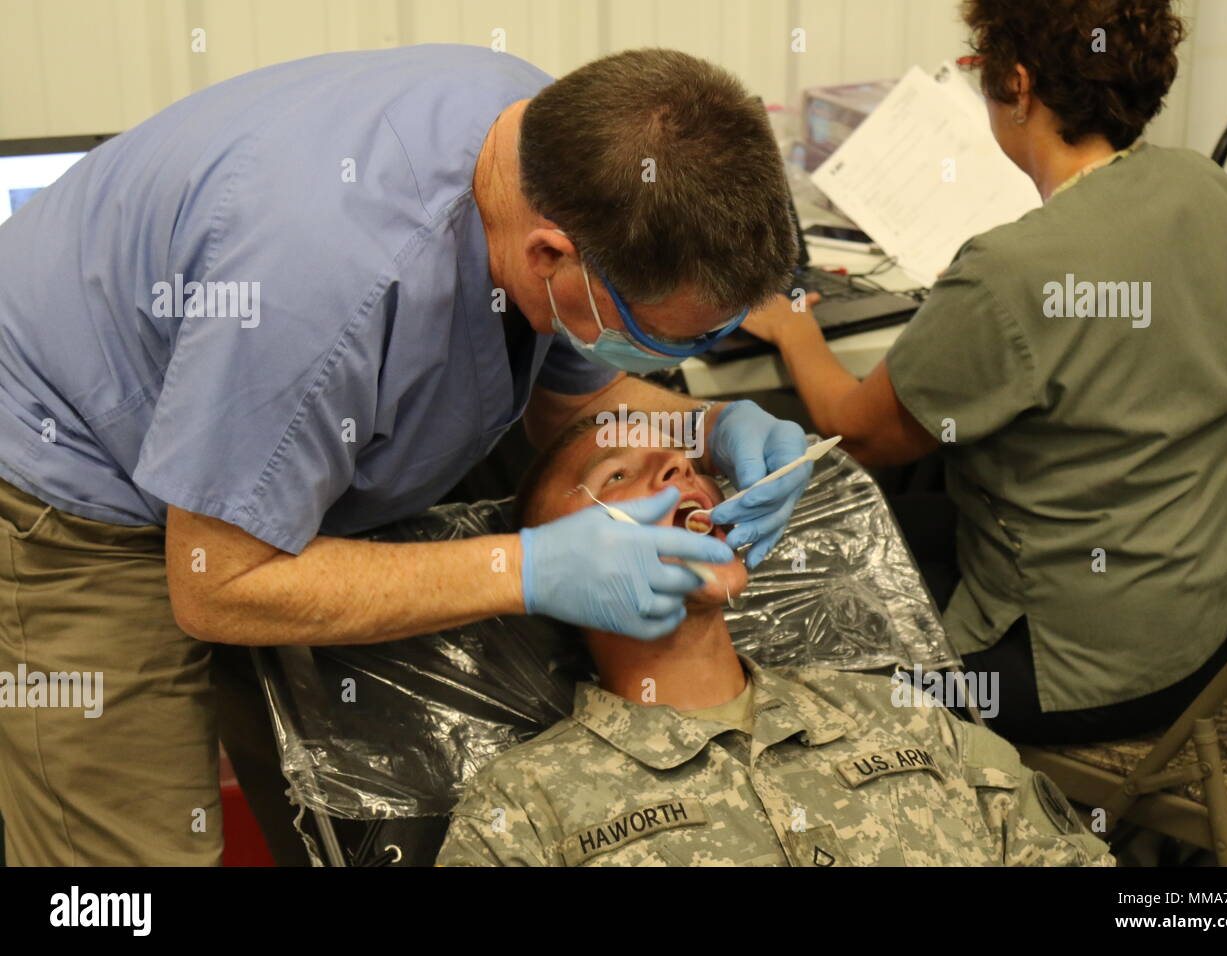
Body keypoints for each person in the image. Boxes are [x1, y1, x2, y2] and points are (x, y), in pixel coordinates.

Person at [0, 45, 813, 865]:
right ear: (549, 255)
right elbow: (219, 583)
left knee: (316, 789)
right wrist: (522, 571)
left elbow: (580, 399)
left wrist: (709, 425)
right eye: (651, 336)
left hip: (248, 431)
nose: (669, 473)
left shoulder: (567, 149)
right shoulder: (320, 286)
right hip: (67, 467)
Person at [740, 0, 1227, 745]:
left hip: (1093, 670)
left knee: (778, 606)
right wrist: (978, 308)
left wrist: (794, 329)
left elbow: (856, 435)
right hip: (1218, 610)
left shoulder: (1010, 270)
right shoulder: (1204, 187)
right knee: (894, 517)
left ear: (1017, 85)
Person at [435, 416, 1114, 867]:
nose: (680, 470)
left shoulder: (901, 716)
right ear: (555, 565)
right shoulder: (524, 806)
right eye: (617, 476)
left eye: (684, 463)